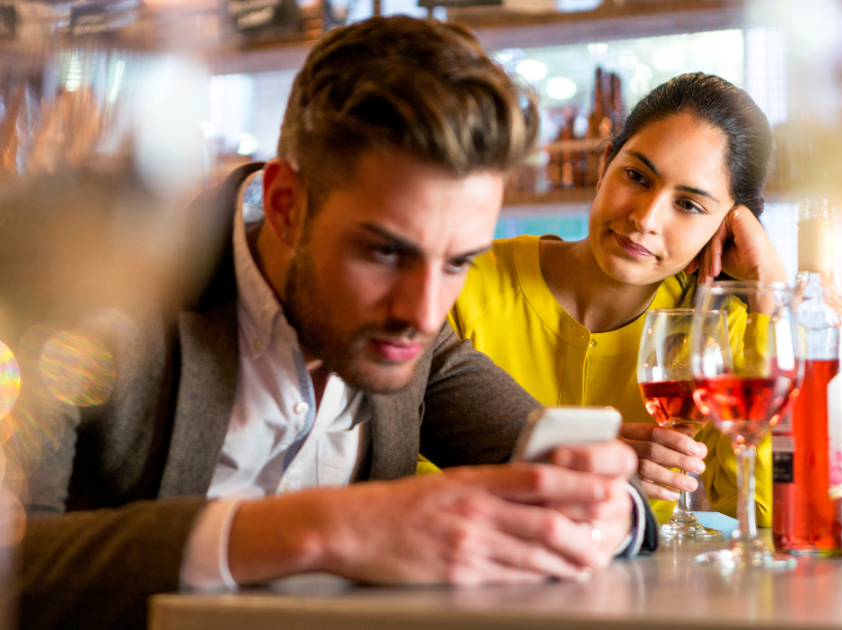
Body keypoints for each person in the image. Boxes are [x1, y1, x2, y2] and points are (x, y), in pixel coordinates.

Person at [12, 16, 657, 630]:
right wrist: (325, 527)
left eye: (459, 261)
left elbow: (606, 491)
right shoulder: (100, 298)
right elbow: (18, 563)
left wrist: (606, 505)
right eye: (384, 252)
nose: (425, 311)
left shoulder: (415, 334)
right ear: (288, 205)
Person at [449, 73, 787, 525]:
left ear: (724, 229)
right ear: (606, 163)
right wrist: (565, 472)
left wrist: (770, 291)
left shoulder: (718, 329)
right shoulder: (465, 281)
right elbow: (399, 469)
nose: (645, 218)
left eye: (688, 205)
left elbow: (770, 507)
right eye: (636, 176)